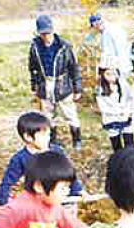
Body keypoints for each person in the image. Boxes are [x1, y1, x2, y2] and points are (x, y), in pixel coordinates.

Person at [0, 112, 85, 206]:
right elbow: (7, 183)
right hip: (35, 203)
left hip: (58, 198)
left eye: (49, 135)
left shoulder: (57, 152)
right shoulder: (19, 159)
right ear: (28, 137)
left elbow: (69, 174)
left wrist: (78, 191)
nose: (48, 139)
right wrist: (4, 202)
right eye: (43, 135)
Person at [29, 15, 83, 150]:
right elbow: (32, 68)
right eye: (43, 33)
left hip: (62, 84)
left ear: (52, 30)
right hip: (44, 84)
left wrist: (78, 88)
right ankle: (52, 141)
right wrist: (34, 86)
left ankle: (77, 140)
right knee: (47, 116)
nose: (46, 36)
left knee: (70, 114)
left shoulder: (64, 46)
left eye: (48, 32)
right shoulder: (35, 47)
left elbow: (74, 68)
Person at [96, 55, 134, 151]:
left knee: (129, 142)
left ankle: (130, 160)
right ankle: (119, 160)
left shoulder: (123, 84)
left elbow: (130, 99)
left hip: (125, 117)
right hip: (111, 119)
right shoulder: (100, 89)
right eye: (108, 74)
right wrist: (117, 111)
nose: (111, 77)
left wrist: (127, 110)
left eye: (114, 74)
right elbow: (103, 106)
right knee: (116, 143)